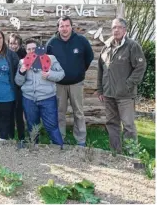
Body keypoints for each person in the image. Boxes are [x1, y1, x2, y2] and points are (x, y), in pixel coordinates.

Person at [97, 18, 146, 154]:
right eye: (114, 27)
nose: (116, 30)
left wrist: (128, 84)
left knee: (128, 126)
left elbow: (141, 67)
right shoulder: (106, 48)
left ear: (125, 30)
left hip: (125, 95)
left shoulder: (132, 46)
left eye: (119, 27)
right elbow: (101, 70)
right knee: (112, 124)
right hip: (108, 94)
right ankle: (116, 153)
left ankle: (132, 154)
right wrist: (100, 90)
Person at [46, 15, 94, 146]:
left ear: (71, 26)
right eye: (62, 26)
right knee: (59, 113)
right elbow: (45, 62)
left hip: (76, 84)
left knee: (78, 112)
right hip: (58, 85)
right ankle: (59, 139)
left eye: (67, 25)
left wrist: (79, 72)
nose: (65, 28)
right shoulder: (52, 43)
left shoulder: (81, 40)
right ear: (58, 28)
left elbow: (89, 57)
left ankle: (80, 140)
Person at [15, 38, 64, 146]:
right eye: (29, 49)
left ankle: (59, 149)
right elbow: (18, 82)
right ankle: (34, 150)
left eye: (34, 48)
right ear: (26, 51)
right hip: (29, 99)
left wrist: (49, 74)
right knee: (32, 127)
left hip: (47, 98)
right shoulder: (22, 62)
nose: (31, 51)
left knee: (52, 126)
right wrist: (21, 72)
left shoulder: (50, 59)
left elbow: (61, 74)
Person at [8, 33, 26, 141]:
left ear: (19, 44)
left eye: (15, 43)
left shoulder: (24, 55)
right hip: (9, 88)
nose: (13, 46)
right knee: (10, 114)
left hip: (20, 89)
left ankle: (21, 137)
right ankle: (10, 136)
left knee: (19, 114)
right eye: (11, 43)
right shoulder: (6, 54)